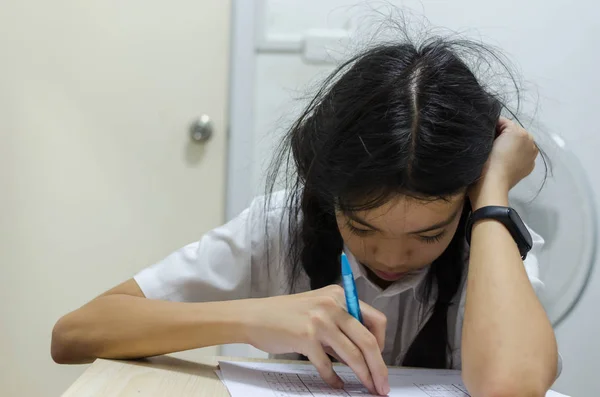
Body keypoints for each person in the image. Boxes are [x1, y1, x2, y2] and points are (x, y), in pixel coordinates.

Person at [51, 35, 559, 397]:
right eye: (361, 227)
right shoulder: (280, 226)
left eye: (429, 233)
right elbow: (75, 334)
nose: (390, 256)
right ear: (328, 191)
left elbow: (510, 387)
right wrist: (254, 318)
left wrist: (492, 193)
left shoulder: (492, 243)